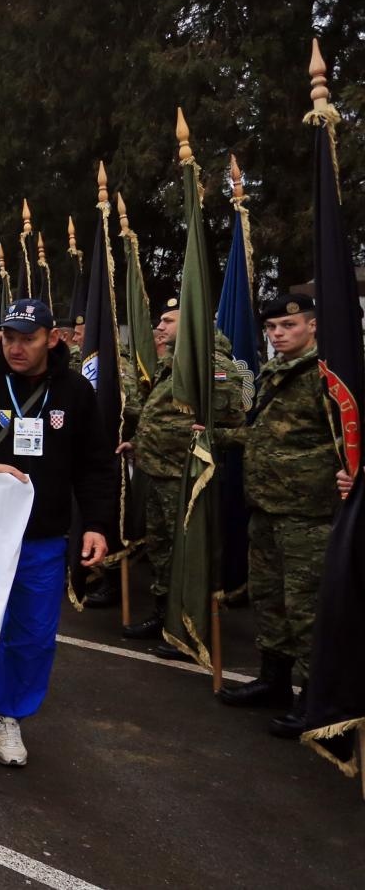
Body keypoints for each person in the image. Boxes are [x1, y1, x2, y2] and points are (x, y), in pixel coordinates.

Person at [0, 299, 116, 777]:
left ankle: (11, 715)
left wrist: (96, 524)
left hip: (44, 534)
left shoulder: (74, 391)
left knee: (35, 635)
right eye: (9, 337)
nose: (16, 347)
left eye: (27, 338)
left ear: (52, 339)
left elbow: (95, 464)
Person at [214, 294, 342, 738]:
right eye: (271, 328)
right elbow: (262, 434)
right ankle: (273, 680)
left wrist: (353, 477)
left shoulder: (328, 375)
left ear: (313, 325)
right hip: (266, 506)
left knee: (306, 606)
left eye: (287, 325)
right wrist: (215, 435)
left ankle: (317, 699)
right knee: (269, 599)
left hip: (309, 512)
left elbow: (351, 433)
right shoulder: (272, 372)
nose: (277, 334)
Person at [119, 301, 249, 648]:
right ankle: (164, 615)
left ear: (191, 324)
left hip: (187, 477)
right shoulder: (174, 360)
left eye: (168, 321)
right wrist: (137, 441)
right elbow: (161, 413)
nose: (159, 327)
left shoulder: (212, 364)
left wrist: (201, 437)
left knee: (186, 553)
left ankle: (189, 627)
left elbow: (231, 425)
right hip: (157, 469)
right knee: (162, 550)